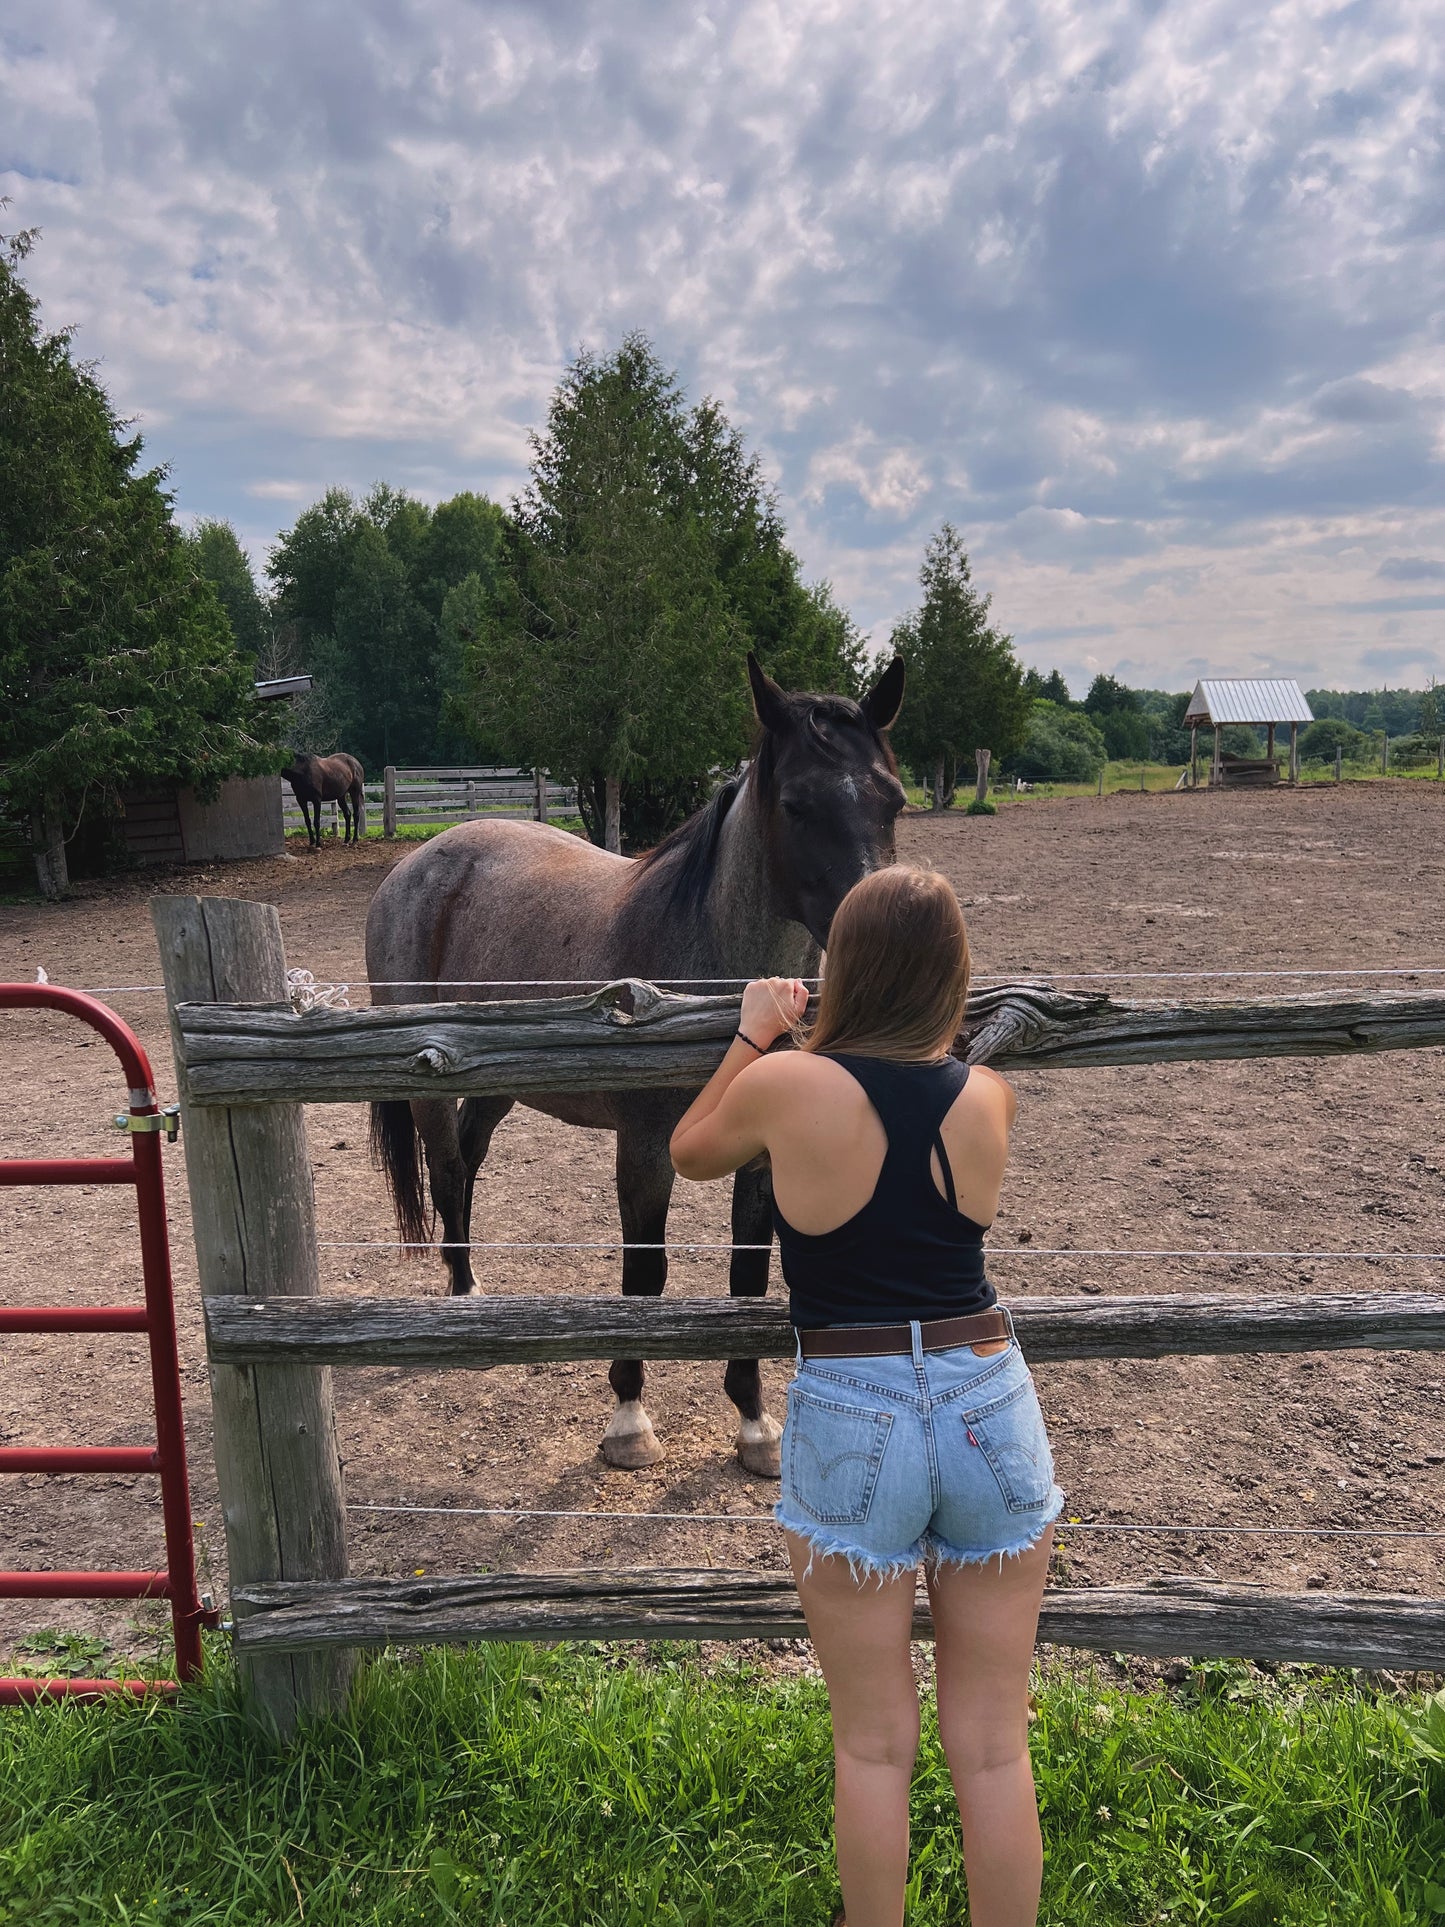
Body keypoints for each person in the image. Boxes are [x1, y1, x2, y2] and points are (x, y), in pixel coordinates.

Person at [670, 864, 1062, 1927]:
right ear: (951, 976)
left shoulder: (788, 1084)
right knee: (990, 1739)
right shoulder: (989, 1096)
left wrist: (755, 1031)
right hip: (987, 1391)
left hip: (852, 1401)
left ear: (840, 966)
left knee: (871, 1741)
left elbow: (690, 1152)